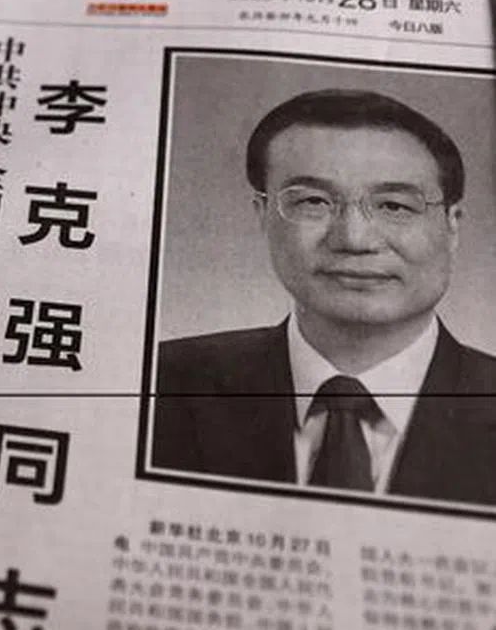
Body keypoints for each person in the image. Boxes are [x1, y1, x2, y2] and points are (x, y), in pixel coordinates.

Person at [151, 88, 496, 505]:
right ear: (263, 215)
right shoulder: (160, 381)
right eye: (314, 201)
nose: (354, 239)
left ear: (452, 225)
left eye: (393, 206)